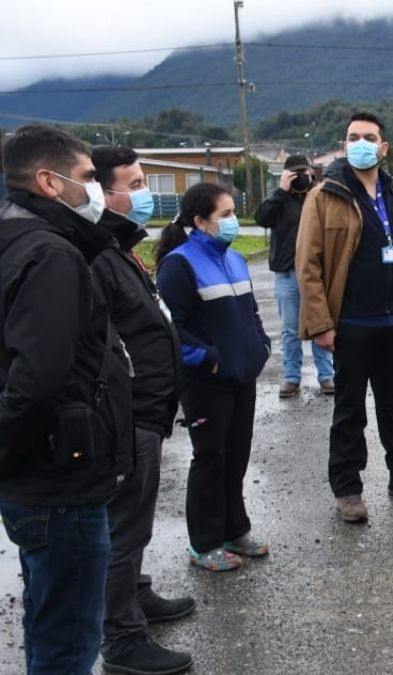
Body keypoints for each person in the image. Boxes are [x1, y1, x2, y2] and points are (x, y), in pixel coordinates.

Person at [0, 124, 134, 673]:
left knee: (47, 617)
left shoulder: (14, 237)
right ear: (48, 182)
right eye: (84, 178)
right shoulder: (51, 254)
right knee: (69, 641)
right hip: (61, 480)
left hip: (37, 477)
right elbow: (39, 378)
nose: (94, 190)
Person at [296, 112, 393, 524]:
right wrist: (321, 323)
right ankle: (348, 488)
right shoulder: (325, 195)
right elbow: (308, 264)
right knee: (349, 409)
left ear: (384, 147)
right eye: (353, 137)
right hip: (351, 323)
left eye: (369, 137)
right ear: (344, 146)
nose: (361, 143)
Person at [91, 146, 194, 674]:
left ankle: (136, 595)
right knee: (123, 527)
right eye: (132, 183)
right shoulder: (93, 254)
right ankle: (123, 638)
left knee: (137, 521)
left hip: (149, 411)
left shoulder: (117, 245)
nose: (144, 191)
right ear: (102, 192)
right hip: (127, 416)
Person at [155, 182, 271, 572]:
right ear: (201, 222)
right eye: (225, 215)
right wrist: (209, 359)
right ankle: (203, 542)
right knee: (210, 458)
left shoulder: (235, 259)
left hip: (243, 375)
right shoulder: (179, 264)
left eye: (233, 212)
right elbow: (170, 327)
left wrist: (261, 345)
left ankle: (234, 529)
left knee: (237, 455)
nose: (233, 221)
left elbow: (251, 312)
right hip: (206, 381)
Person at [256, 154, 334, 398]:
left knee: (322, 323)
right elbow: (261, 219)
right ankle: (291, 377)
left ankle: (326, 376)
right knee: (290, 329)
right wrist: (281, 190)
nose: (301, 177)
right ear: (287, 175)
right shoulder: (279, 199)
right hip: (288, 273)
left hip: (317, 273)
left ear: (311, 172)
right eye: (295, 173)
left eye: (304, 172)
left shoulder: (319, 196)